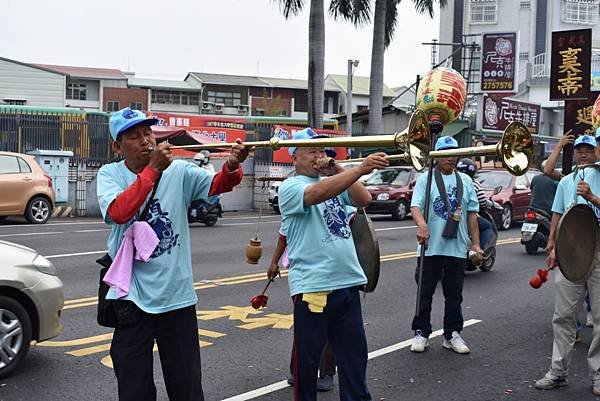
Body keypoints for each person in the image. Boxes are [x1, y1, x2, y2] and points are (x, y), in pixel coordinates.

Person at [97, 107, 249, 401]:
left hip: (176, 298)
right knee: (133, 388)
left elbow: (218, 185)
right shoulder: (110, 174)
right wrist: (153, 170)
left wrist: (232, 164)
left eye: (147, 133)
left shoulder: (179, 171)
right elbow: (118, 212)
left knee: (187, 386)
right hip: (131, 298)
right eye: (133, 136)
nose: (145, 141)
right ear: (118, 146)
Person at [278, 127, 387, 401]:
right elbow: (314, 195)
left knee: (354, 360)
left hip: (348, 284)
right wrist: (359, 168)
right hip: (314, 287)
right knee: (308, 364)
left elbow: (365, 199)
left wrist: (339, 167)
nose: (319, 156)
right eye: (311, 152)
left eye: (322, 151)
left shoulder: (335, 182)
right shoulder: (291, 187)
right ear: (295, 158)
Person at [535, 135, 600, 395]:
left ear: (597, 151)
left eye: (589, 150)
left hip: (597, 253)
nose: (583, 154)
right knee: (562, 316)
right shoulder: (565, 181)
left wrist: (592, 197)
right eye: (579, 150)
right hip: (569, 253)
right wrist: (552, 243)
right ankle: (558, 371)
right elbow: (557, 213)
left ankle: (598, 374)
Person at [410, 136, 481, 354]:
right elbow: (415, 207)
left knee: (454, 295)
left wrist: (476, 245)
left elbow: (472, 215)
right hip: (430, 247)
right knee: (425, 293)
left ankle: (452, 334)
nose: (450, 158)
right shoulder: (427, 179)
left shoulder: (466, 181)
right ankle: (421, 332)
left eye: (453, 153)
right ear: (436, 157)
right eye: (445, 154)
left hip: (457, 248)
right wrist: (422, 225)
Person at [455, 158, 497, 255]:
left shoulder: (452, 181)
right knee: (487, 226)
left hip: (453, 214)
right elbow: (482, 201)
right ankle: (479, 250)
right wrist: (493, 204)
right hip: (466, 214)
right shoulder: (474, 184)